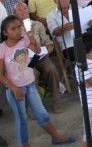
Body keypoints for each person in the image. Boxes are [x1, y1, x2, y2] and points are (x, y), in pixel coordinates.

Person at [0, 16, 77, 147]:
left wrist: (32, 40)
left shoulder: (24, 40)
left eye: (19, 27)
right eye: (13, 29)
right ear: (5, 32)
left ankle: (56, 137)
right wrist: (13, 88)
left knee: (41, 113)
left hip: (30, 85)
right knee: (21, 119)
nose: (18, 31)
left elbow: (37, 51)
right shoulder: (2, 48)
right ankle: (24, 144)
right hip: (16, 89)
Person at [13, 2, 63, 113]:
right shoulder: (14, 29)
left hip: (40, 55)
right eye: (20, 10)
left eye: (25, 9)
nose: (24, 11)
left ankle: (57, 100)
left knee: (51, 69)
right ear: (15, 13)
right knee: (32, 74)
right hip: (24, 59)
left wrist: (49, 47)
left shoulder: (37, 24)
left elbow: (46, 40)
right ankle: (33, 106)